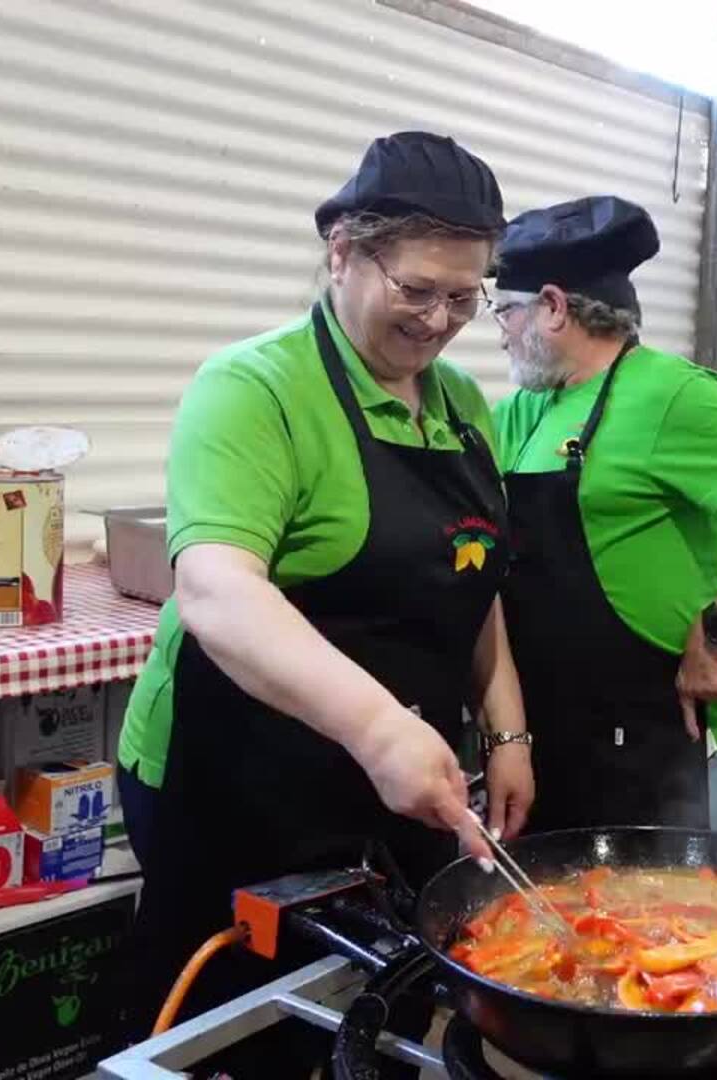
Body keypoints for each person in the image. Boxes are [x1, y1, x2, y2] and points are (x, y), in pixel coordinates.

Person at [115, 132, 532, 1072]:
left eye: (465, 298)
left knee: (379, 1011)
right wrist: (381, 730)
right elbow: (218, 590)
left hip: (396, 782)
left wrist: (507, 732)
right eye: (417, 289)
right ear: (342, 252)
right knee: (233, 1032)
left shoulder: (464, 404)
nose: (439, 321)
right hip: (236, 782)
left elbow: (475, 581)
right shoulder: (253, 387)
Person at [491, 195, 717, 834]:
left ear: (553, 307)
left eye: (505, 312)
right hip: (548, 727)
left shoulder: (675, 395)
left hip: (657, 731)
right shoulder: (524, 410)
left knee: (679, 897)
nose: (500, 333)